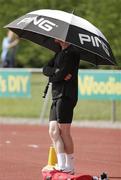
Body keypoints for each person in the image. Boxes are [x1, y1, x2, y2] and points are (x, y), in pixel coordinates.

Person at [43, 39, 80, 175]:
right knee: (53, 131)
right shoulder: (58, 52)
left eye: (57, 36)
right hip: (56, 95)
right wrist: (56, 73)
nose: (54, 39)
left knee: (64, 131)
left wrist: (56, 75)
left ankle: (70, 166)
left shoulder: (73, 52)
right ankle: (61, 163)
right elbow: (45, 69)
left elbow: (61, 74)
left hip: (66, 95)